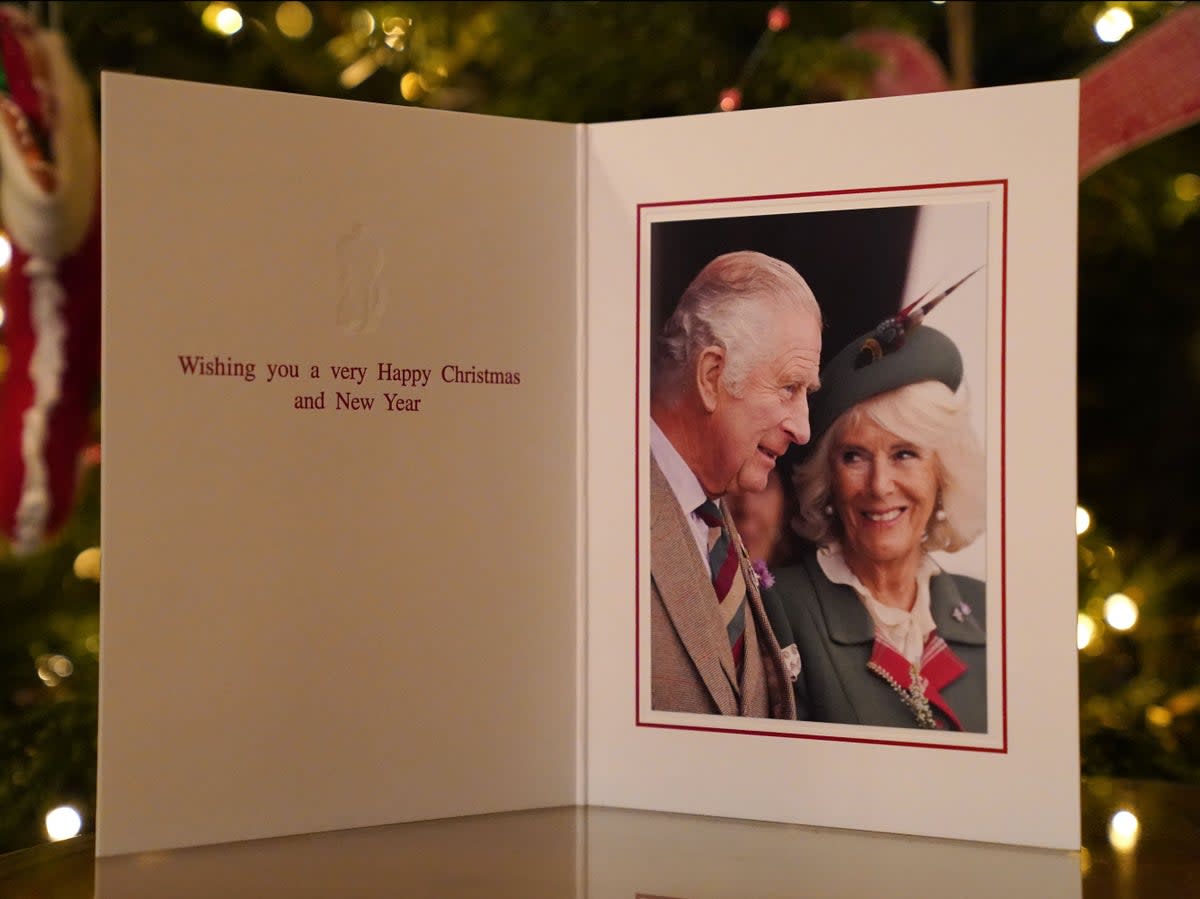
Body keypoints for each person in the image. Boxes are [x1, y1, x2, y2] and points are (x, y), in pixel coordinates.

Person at [773, 316, 988, 732]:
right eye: (854, 456)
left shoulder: (987, 611)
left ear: (943, 473)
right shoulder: (780, 607)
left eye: (904, 454)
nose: (879, 486)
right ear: (827, 479)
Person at [649, 250, 821, 718]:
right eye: (789, 387)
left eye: (807, 394)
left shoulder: (715, 524)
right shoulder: (601, 507)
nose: (803, 428)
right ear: (711, 376)